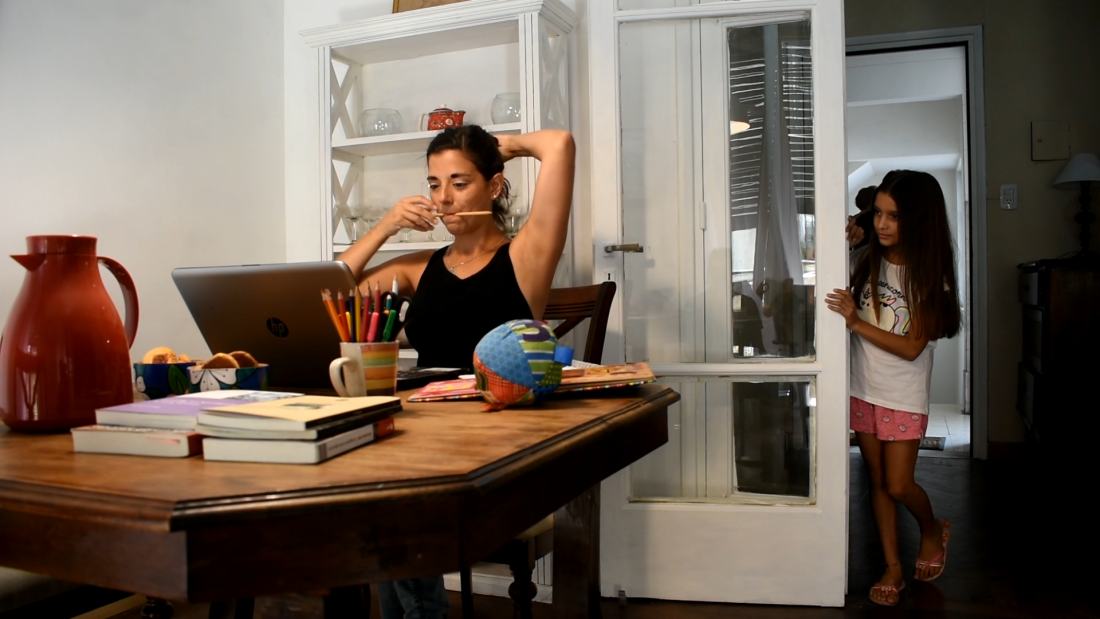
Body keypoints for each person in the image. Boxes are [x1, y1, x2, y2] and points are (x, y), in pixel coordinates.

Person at [336, 125, 575, 619]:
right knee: (369, 488)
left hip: (491, 442)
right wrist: (385, 227)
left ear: (495, 185)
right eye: (434, 184)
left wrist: (501, 147)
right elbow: (331, 294)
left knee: (390, 501)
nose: (443, 198)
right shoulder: (418, 269)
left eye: (459, 182)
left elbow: (558, 144)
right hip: (421, 435)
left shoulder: (526, 255)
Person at [825, 170, 961, 607]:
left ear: (918, 220)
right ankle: (893, 567)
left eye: (894, 216)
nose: (882, 224)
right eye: (878, 213)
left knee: (900, 485)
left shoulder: (929, 277)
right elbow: (825, 286)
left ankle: (931, 529)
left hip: (902, 396)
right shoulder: (865, 259)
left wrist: (855, 322)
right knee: (878, 481)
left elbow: (911, 347)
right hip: (862, 388)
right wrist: (842, 244)